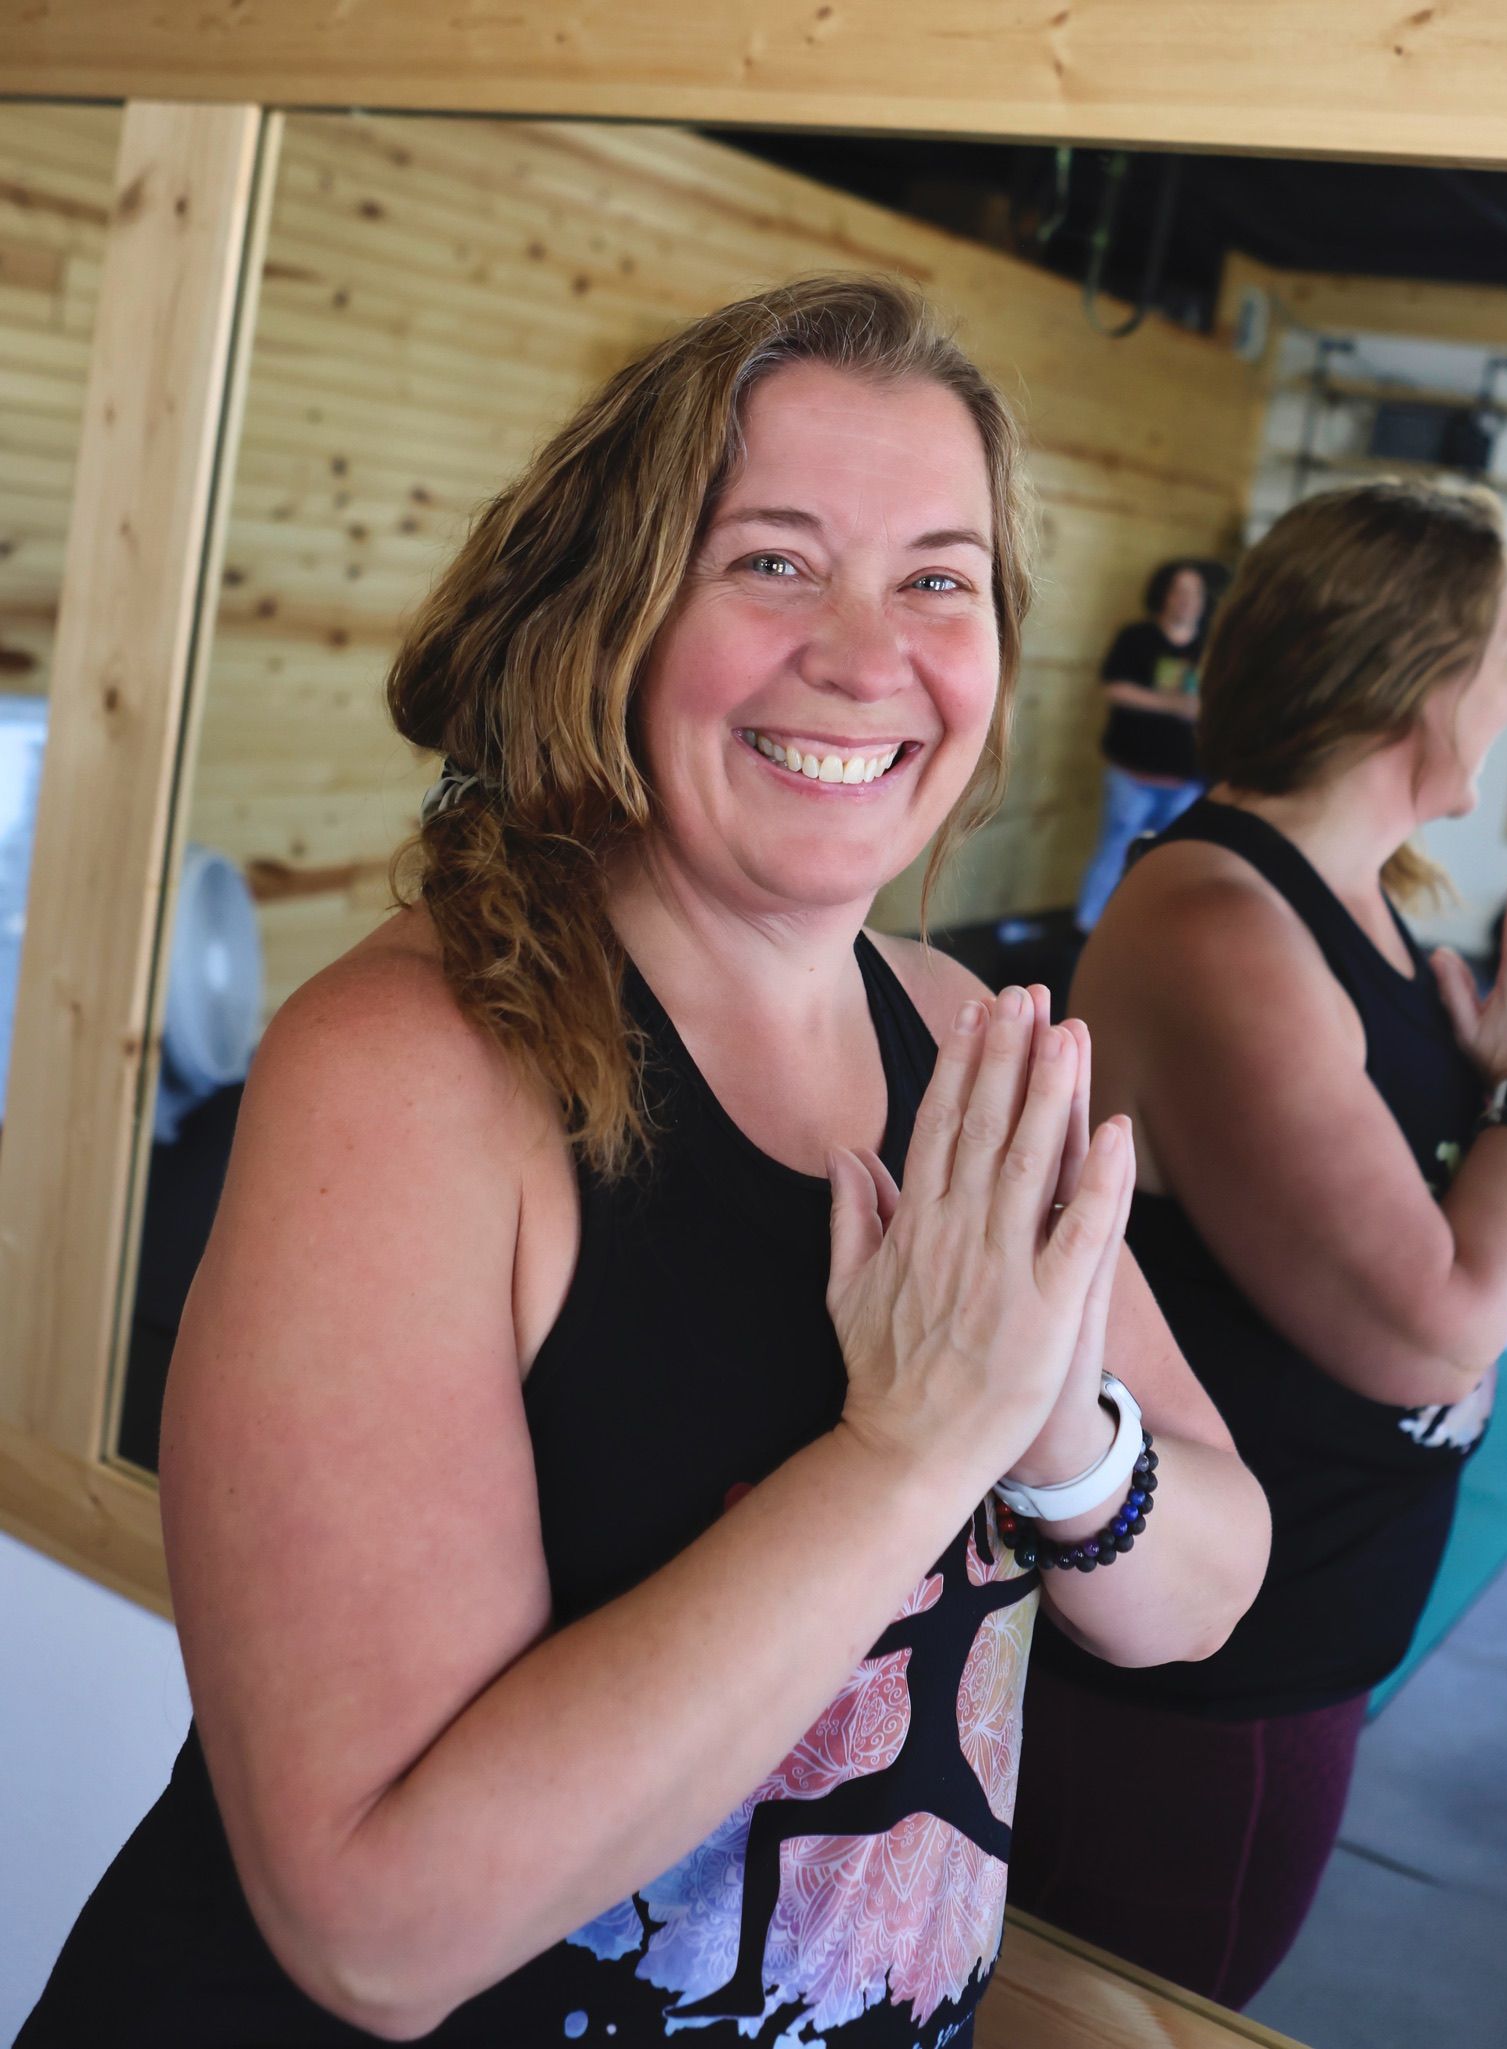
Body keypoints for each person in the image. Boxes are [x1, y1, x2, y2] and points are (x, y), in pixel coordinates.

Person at [20, 276, 1268, 2048]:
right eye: (773, 560)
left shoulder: (951, 1032)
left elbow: (1206, 1583)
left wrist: (1060, 1436)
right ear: (612, 610)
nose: (868, 655)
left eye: (939, 578)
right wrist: (913, 1448)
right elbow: (375, 1926)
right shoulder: (417, 1071)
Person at [1008, 482, 1507, 2010]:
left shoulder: (1369, 902)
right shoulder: (1224, 919)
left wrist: (1484, 1097)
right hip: (1204, 1682)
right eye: (1504, 649)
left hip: (1305, 1629)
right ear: (1423, 680)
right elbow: (1434, 1330)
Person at [1074, 557, 1218, 932]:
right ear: (1163, 595)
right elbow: (1115, 688)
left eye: (1195, 593)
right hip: (1132, 774)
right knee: (1115, 853)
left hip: (1188, 780)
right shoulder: (1137, 637)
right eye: (1179, 591)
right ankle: (1085, 933)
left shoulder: (1212, 646)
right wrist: (1174, 705)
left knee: (1167, 864)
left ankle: (1142, 934)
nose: (1187, 600)